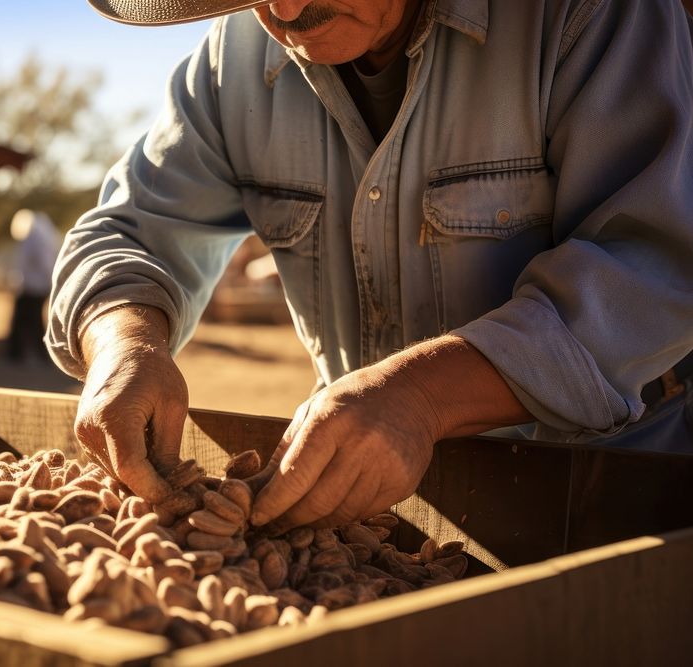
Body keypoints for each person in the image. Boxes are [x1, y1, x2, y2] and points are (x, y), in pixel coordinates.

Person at [46, 0, 693, 533]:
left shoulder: (587, 14)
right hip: (367, 513)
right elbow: (129, 232)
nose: (286, 11)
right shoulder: (231, 60)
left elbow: (651, 270)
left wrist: (421, 395)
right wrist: (123, 344)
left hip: (613, 499)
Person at [7, 209, 61, 363]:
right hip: (38, 286)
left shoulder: (34, 238)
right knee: (33, 320)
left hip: (33, 286)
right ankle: (36, 353)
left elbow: (39, 263)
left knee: (25, 319)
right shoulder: (44, 236)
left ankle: (19, 353)